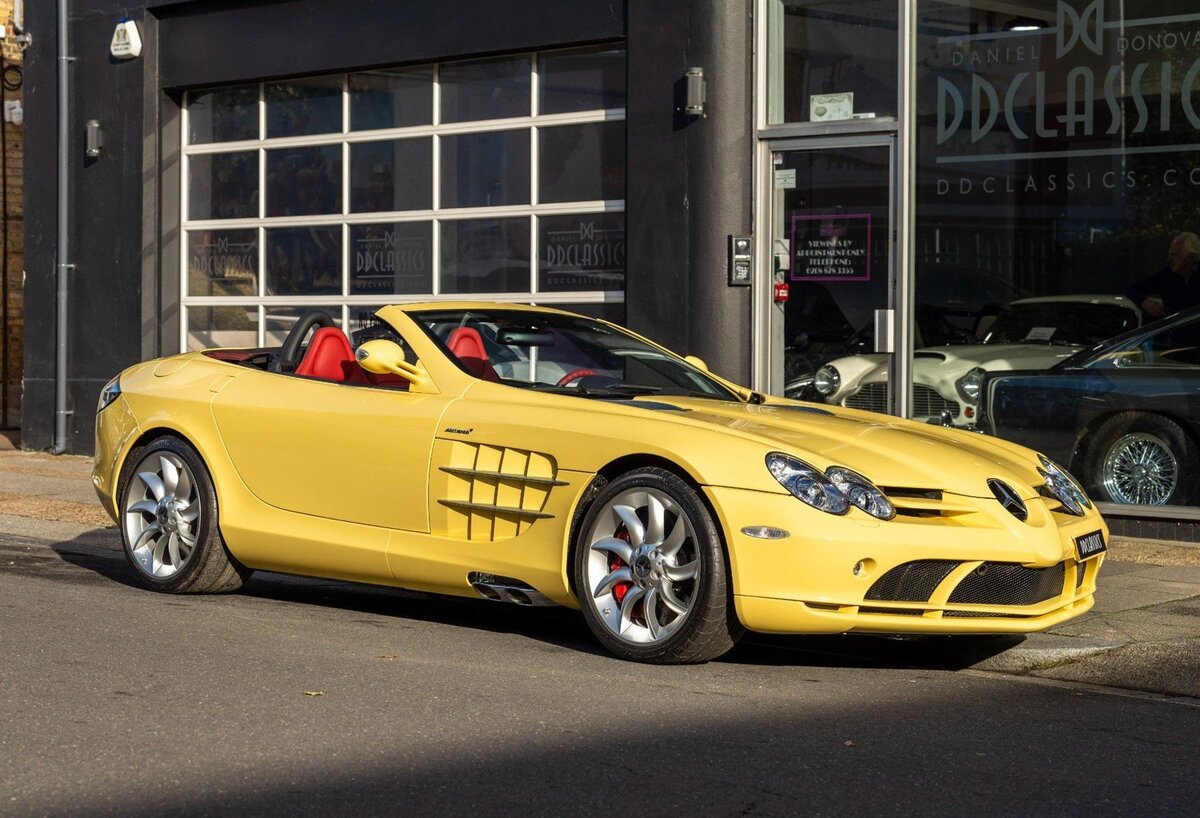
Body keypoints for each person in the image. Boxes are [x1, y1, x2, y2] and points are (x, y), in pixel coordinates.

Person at [1127, 232, 1200, 319]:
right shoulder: (1166, 276)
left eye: (1174, 255)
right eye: (1169, 254)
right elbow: (1132, 290)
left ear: (1190, 257)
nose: (1169, 259)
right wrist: (1145, 302)